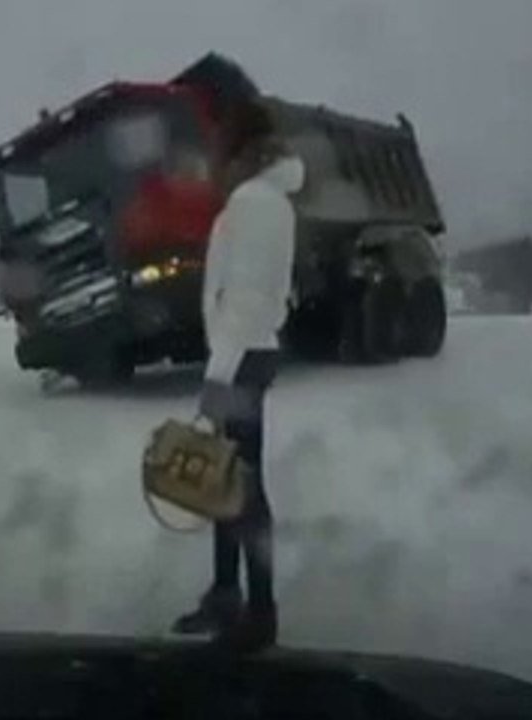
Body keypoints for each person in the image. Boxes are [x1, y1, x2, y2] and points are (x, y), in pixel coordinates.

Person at [171, 97, 305, 653]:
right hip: (256, 349)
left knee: (242, 487)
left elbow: (242, 295)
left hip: (240, 353)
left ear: (243, 156)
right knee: (229, 479)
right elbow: (275, 294)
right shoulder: (275, 204)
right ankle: (229, 593)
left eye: (223, 151)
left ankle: (259, 612)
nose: (216, 161)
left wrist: (218, 376)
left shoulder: (250, 203)